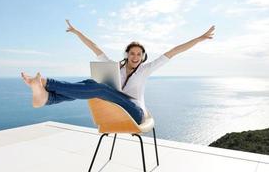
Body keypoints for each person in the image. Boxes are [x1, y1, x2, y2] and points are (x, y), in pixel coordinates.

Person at [21, 20, 215, 125]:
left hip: (135, 112)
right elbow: (94, 47)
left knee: (101, 89)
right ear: (127, 54)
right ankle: (47, 98)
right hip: (117, 108)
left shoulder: (147, 69)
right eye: (132, 53)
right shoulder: (115, 68)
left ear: (143, 56)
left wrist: (200, 38)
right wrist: (76, 31)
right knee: (91, 84)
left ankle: (47, 83)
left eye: (139, 54)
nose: (136, 56)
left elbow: (174, 51)